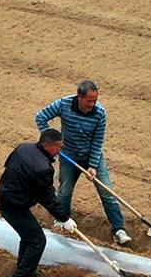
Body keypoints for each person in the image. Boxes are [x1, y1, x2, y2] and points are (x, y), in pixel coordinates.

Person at [34, 79, 129, 245]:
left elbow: (98, 141)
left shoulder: (100, 113)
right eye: (89, 100)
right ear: (79, 97)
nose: (92, 104)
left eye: (95, 100)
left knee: (107, 192)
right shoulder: (63, 104)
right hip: (68, 155)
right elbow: (41, 117)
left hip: (92, 155)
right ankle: (63, 221)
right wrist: (53, 142)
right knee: (64, 191)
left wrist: (92, 165)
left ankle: (119, 229)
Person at [0, 128, 63, 277]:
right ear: (47, 146)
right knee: (37, 240)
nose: (60, 151)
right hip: (14, 205)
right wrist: (63, 217)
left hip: (6, 195)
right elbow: (47, 196)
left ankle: (25, 268)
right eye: (58, 147)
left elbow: (8, 164)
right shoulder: (43, 168)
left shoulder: (23, 147)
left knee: (29, 236)